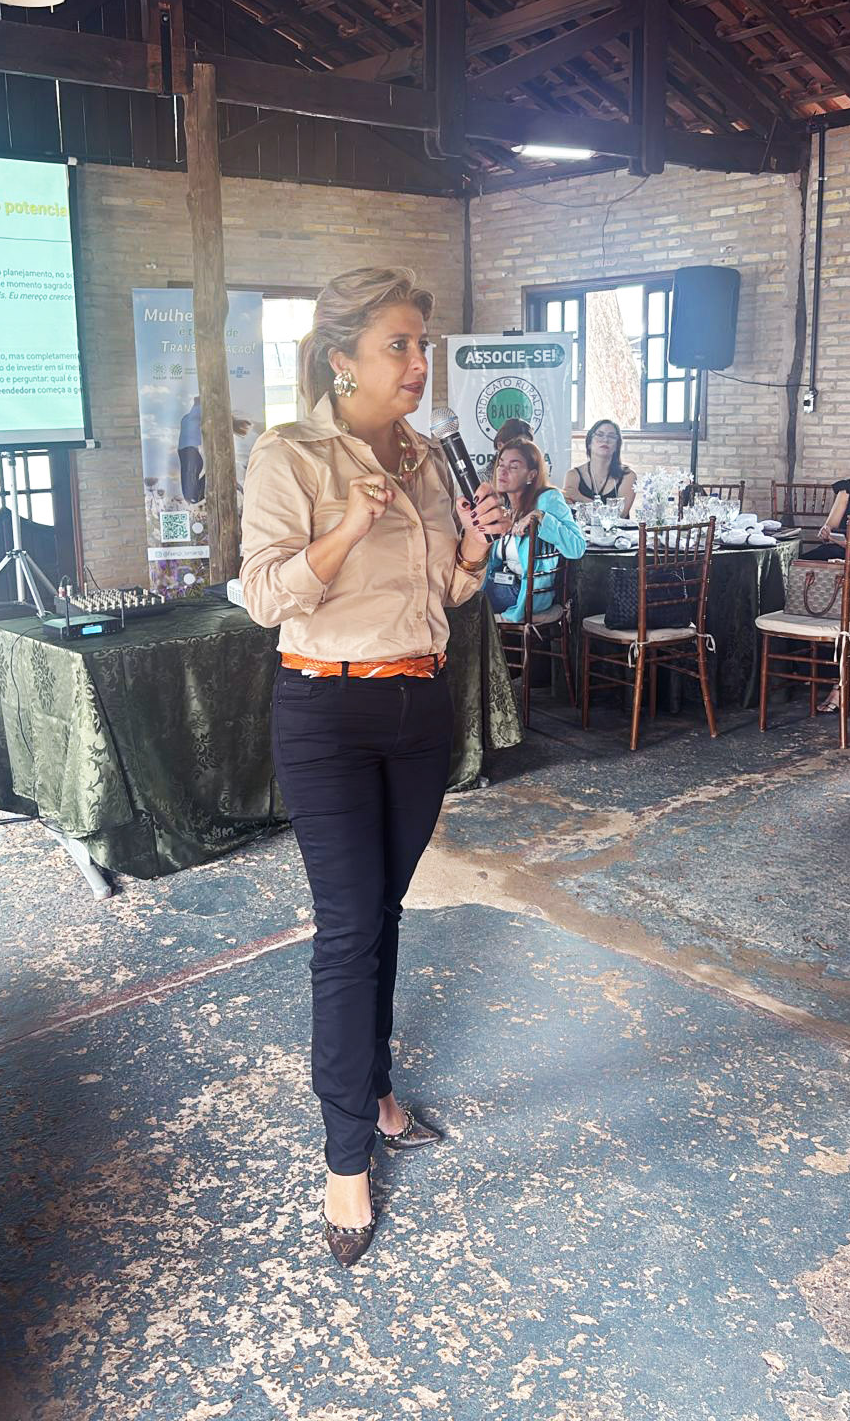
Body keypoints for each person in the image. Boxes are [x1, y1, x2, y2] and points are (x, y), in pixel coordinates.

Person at [240, 267, 508, 1268]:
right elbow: (264, 596)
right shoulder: (290, 454)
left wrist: (473, 549)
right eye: (399, 344)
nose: (418, 363)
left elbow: (445, 593)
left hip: (418, 708)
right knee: (349, 928)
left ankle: (377, 1088)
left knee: (383, 913)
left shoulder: (430, 459)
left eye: (422, 345)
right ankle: (345, 1154)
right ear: (341, 358)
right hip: (329, 712)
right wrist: (349, 522)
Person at [806, 432, 850, 712]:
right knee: (810, 568)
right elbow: (830, 527)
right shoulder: (849, 488)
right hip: (843, 553)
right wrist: (827, 532)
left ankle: (846, 680)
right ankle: (849, 677)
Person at [486, 439, 586, 621]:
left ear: (531, 475)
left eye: (513, 466)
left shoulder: (548, 499)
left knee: (464, 606)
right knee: (458, 596)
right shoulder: (501, 506)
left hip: (525, 594)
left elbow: (577, 547)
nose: (502, 471)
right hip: (499, 584)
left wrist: (541, 517)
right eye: (501, 464)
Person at [564, 418, 636, 516]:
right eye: (600, 435)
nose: (605, 440)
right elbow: (568, 512)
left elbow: (620, 515)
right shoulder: (573, 475)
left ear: (617, 446)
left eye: (611, 436)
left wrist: (579, 497)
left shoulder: (628, 476)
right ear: (589, 443)